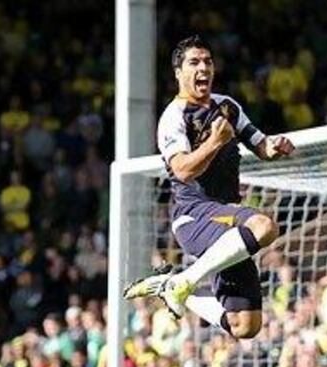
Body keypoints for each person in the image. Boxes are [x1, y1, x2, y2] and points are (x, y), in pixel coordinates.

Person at [124, 35, 294, 339]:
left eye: (208, 61)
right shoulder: (172, 118)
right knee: (265, 227)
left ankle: (176, 285)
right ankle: (184, 280)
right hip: (196, 215)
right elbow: (183, 171)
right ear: (178, 72)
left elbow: (261, 145)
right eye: (194, 62)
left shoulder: (227, 107)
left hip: (228, 219)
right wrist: (215, 142)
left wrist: (275, 145)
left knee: (246, 326)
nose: (203, 67)